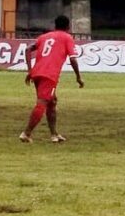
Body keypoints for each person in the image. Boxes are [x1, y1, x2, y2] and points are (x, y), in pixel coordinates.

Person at [20, 15, 84, 143]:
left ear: (55, 26)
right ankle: (26, 133)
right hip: (49, 76)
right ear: (68, 27)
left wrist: (30, 70)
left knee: (52, 102)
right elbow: (73, 59)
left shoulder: (44, 36)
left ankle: (54, 134)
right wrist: (78, 77)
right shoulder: (67, 37)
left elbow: (27, 49)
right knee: (42, 103)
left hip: (37, 73)